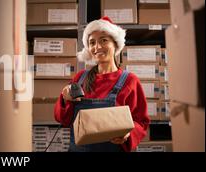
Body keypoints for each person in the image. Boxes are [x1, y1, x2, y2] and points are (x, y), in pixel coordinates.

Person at [53, 16, 150, 152]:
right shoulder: (80, 78)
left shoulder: (130, 81)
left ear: (115, 44)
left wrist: (128, 135)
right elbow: (63, 119)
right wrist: (65, 100)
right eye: (92, 42)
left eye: (103, 40)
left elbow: (142, 122)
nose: (97, 47)